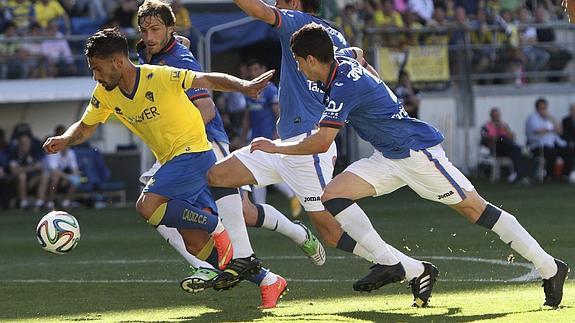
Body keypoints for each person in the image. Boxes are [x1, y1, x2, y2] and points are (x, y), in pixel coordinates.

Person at [251, 23, 569, 308]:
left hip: (416, 153)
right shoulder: (342, 60)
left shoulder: (343, 85)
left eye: (297, 61)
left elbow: (321, 142)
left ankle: (550, 268)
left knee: (475, 209)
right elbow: (357, 52)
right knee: (332, 195)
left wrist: (274, 146)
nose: (296, 68)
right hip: (388, 156)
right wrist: (368, 69)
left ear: (310, 59)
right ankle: (395, 263)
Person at [208, 0, 438, 307]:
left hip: (307, 147)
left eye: (281, 1)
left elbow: (257, 11)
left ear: (296, 5)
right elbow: (356, 55)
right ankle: (244, 258)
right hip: (286, 142)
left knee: (331, 232)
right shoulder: (332, 34)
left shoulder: (296, 22)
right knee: (219, 175)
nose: (275, 4)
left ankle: (415, 269)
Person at [42, 28, 274, 290]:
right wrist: (65, 139)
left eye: (97, 68)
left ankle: (215, 226)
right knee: (195, 243)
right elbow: (85, 126)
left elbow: (206, 79)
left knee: (146, 206)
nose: (95, 75)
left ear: (117, 62)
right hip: (171, 161)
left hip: (195, 153)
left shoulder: (158, 75)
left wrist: (243, 86)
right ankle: (268, 280)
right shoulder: (105, 93)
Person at [133, 0, 319, 308]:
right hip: (175, 149)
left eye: (155, 30)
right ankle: (238, 272)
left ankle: (297, 234)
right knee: (170, 217)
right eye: (145, 30)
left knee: (241, 212)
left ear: (169, 29)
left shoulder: (179, 60)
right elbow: (170, 47)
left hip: (204, 143)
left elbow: (206, 109)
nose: (149, 36)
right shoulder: (150, 51)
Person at [240, 58, 302, 216]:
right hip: (255, 138)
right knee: (261, 173)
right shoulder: (250, 91)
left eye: (256, 69)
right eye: (251, 70)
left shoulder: (270, 90)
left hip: (269, 139)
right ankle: (265, 207)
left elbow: (278, 113)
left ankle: (266, 207)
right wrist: (242, 136)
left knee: (261, 173)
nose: (254, 73)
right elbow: (247, 116)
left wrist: (276, 135)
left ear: (262, 69)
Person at [526, 98, 574, 181]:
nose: (543, 110)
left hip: (552, 143)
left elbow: (559, 130)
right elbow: (538, 131)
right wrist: (551, 129)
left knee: (568, 151)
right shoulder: (532, 118)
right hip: (538, 145)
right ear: (537, 108)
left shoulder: (548, 118)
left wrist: (551, 118)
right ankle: (550, 175)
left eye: (544, 108)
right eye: (541, 108)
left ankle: (564, 175)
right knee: (552, 153)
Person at [480, 107, 526, 183]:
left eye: (497, 115)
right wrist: (496, 136)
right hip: (496, 147)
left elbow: (512, 137)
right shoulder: (487, 126)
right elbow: (484, 139)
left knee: (516, 151)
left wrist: (505, 130)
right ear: (491, 116)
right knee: (504, 139)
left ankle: (517, 174)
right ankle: (518, 174)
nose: (496, 117)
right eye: (494, 115)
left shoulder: (504, 125)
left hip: (507, 147)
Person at [43, 125, 80, 209]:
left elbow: (75, 169)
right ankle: (50, 202)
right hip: (46, 175)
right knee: (55, 178)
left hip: (62, 175)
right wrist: (67, 177)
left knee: (76, 179)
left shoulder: (70, 152)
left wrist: (74, 176)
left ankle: (66, 202)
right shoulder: (52, 149)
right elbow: (54, 171)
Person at [9, 133, 48, 209]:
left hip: (32, 181)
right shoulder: (14, 152)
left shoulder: (34, 151)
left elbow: (40, 167)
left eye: (26, 142)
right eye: (22, 143)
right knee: (22, 176)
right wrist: (31, 168)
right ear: (20, 143)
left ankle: (40, 203)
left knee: (45, 175)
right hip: (17, 182)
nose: (25, 144)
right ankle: (24, 203)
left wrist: (23, 169)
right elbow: (13, 170)